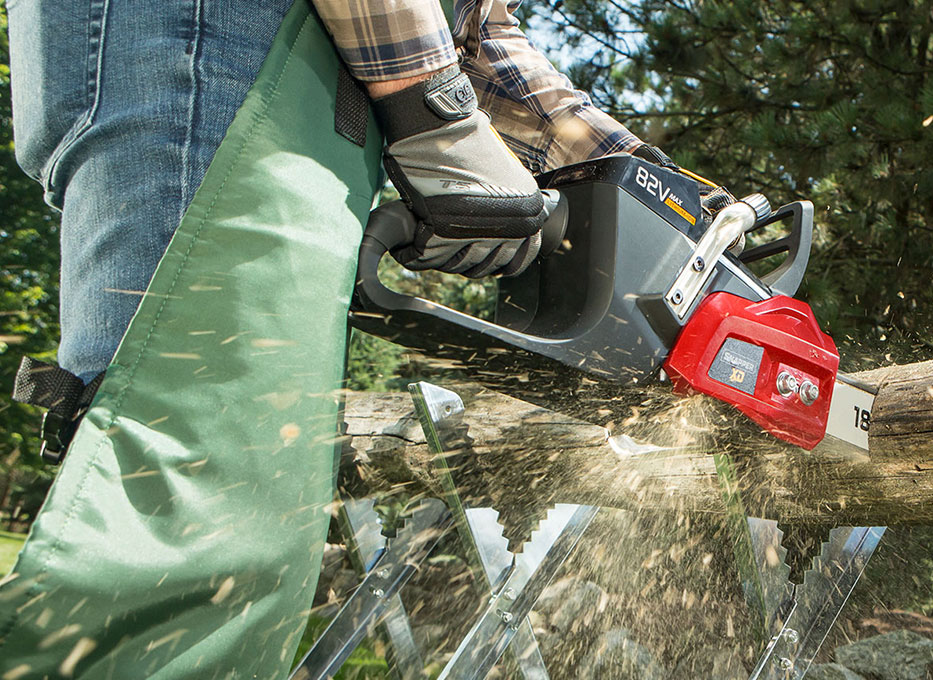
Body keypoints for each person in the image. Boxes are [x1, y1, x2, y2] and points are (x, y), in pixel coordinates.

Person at [1, 0, 720, 676]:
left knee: (222, 488)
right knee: (191, 499)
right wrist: (436, 116)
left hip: (264, 66)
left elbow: (482, 37)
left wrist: (668, 197)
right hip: (214, 49)